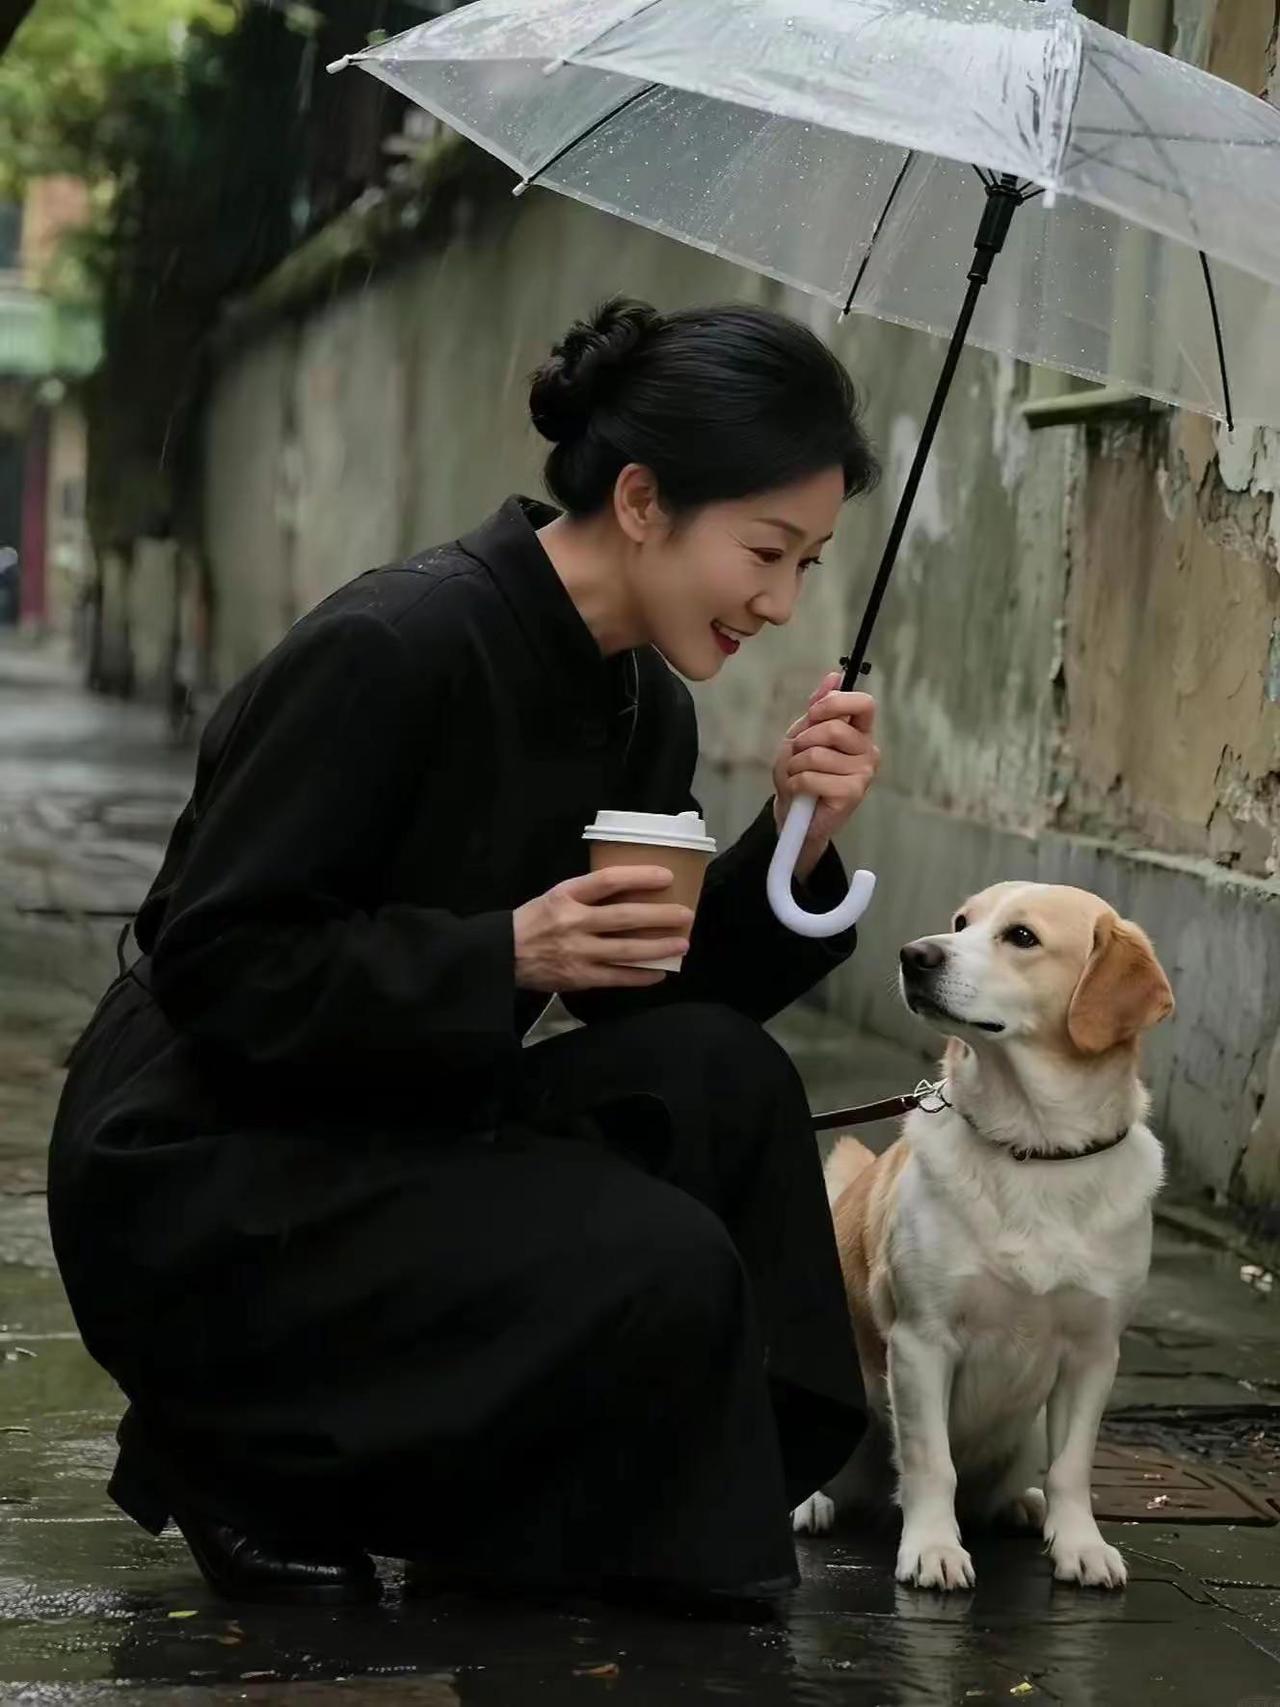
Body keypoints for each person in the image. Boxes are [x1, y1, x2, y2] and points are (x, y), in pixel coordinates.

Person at [48, 297, 882, 1615]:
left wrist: (798, 839)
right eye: (766, 551)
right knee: (651, 1258)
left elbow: (651, 995)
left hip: (383, 1116)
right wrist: (502, 952)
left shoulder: (638, 703)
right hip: (204, 1165)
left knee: (723, 1084)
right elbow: (217, 962)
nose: (780, 604)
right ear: (645, 499)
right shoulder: (395, 646)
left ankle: (629, 1499)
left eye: (810, 566)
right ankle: (238, 1450)